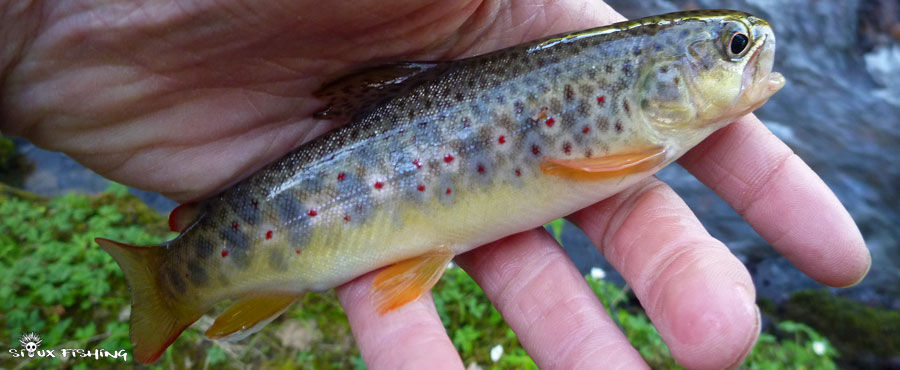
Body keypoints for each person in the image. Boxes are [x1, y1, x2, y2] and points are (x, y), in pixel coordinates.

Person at [0, 1, 870, 368]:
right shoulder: (636, 137)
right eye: (728, 48)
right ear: (653, 80)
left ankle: (175, 283)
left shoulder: (641, 130)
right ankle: (167, 283)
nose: (751, 51)